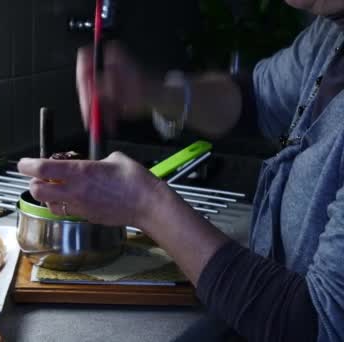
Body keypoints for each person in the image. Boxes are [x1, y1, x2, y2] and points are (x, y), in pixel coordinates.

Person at [18, 1, 344, 341]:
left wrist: (147, 205)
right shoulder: (329, 34)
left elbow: (318, 325)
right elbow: (257, 99)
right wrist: (154, 92)